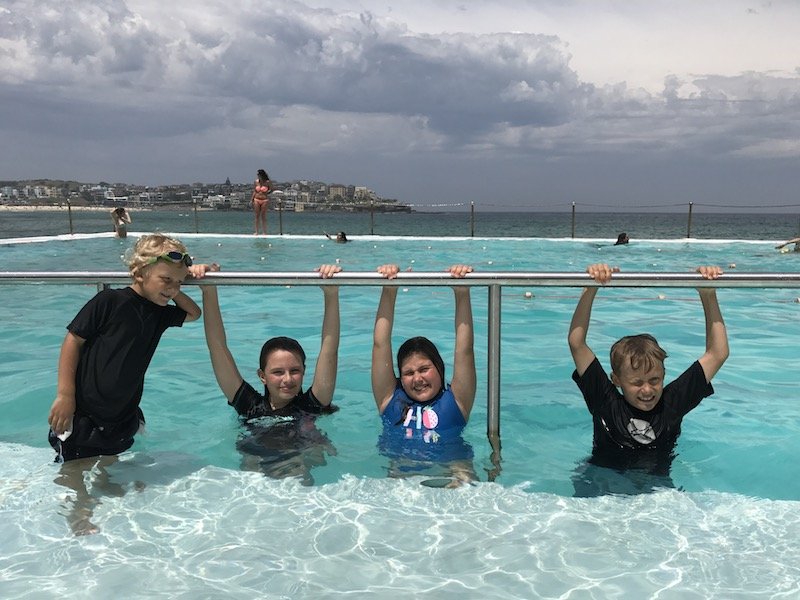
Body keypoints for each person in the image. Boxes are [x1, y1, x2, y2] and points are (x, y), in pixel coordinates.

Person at [47, 233, 214, 463]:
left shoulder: (160, 314)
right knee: (74, 473)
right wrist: (65, 395)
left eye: (179, 283)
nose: (173, 289)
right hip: (84, 411)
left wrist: (184, 277)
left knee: (111, 468)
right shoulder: (109, 300)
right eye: (166, 280)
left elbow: (194, 314)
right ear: (140, 272)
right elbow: (73, 340)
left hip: (121, 413)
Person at [567, 262, 729, 491]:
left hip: (656, 489)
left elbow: (718, 353)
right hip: (600, 481)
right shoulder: (604, 399)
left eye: (655, 380)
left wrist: (707, 294)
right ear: (617, 380)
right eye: (636, 383)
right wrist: (590, 288)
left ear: (664, 375)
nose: (647, 390)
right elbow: (577, 343)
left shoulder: (672, 403)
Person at [200, 264, 342, 483]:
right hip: (256, 478)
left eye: (295, 371)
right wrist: (209, 289)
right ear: (262, 376)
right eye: (277, 372)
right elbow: (217, 347)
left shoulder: (311, 405)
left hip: (298, 471)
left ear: (304, 372)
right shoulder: (249, 405)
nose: (287, 379)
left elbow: (329, 349)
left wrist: (331, 293)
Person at [372, 263, 477, 485]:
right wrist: (389, 288)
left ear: (439, 368)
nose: (417, 379)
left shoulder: (456, 400)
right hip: (400, 473)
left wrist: (462, 292)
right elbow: (380, 344)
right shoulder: (389, 398)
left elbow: (464, 349)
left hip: (453, 468)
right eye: (408, 373)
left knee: (467, 485)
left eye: (424, 369)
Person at [252, 169, 271, 235]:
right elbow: (254, 191)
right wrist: (252, 199)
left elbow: (272, 189)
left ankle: (264, 232)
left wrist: (267, 192)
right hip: (257, 199)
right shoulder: (256, 182)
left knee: (263, 216)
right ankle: (256, 231)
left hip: (264, 199)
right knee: (257, 216)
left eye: (258, 175)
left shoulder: (267, 182)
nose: (257, 176)